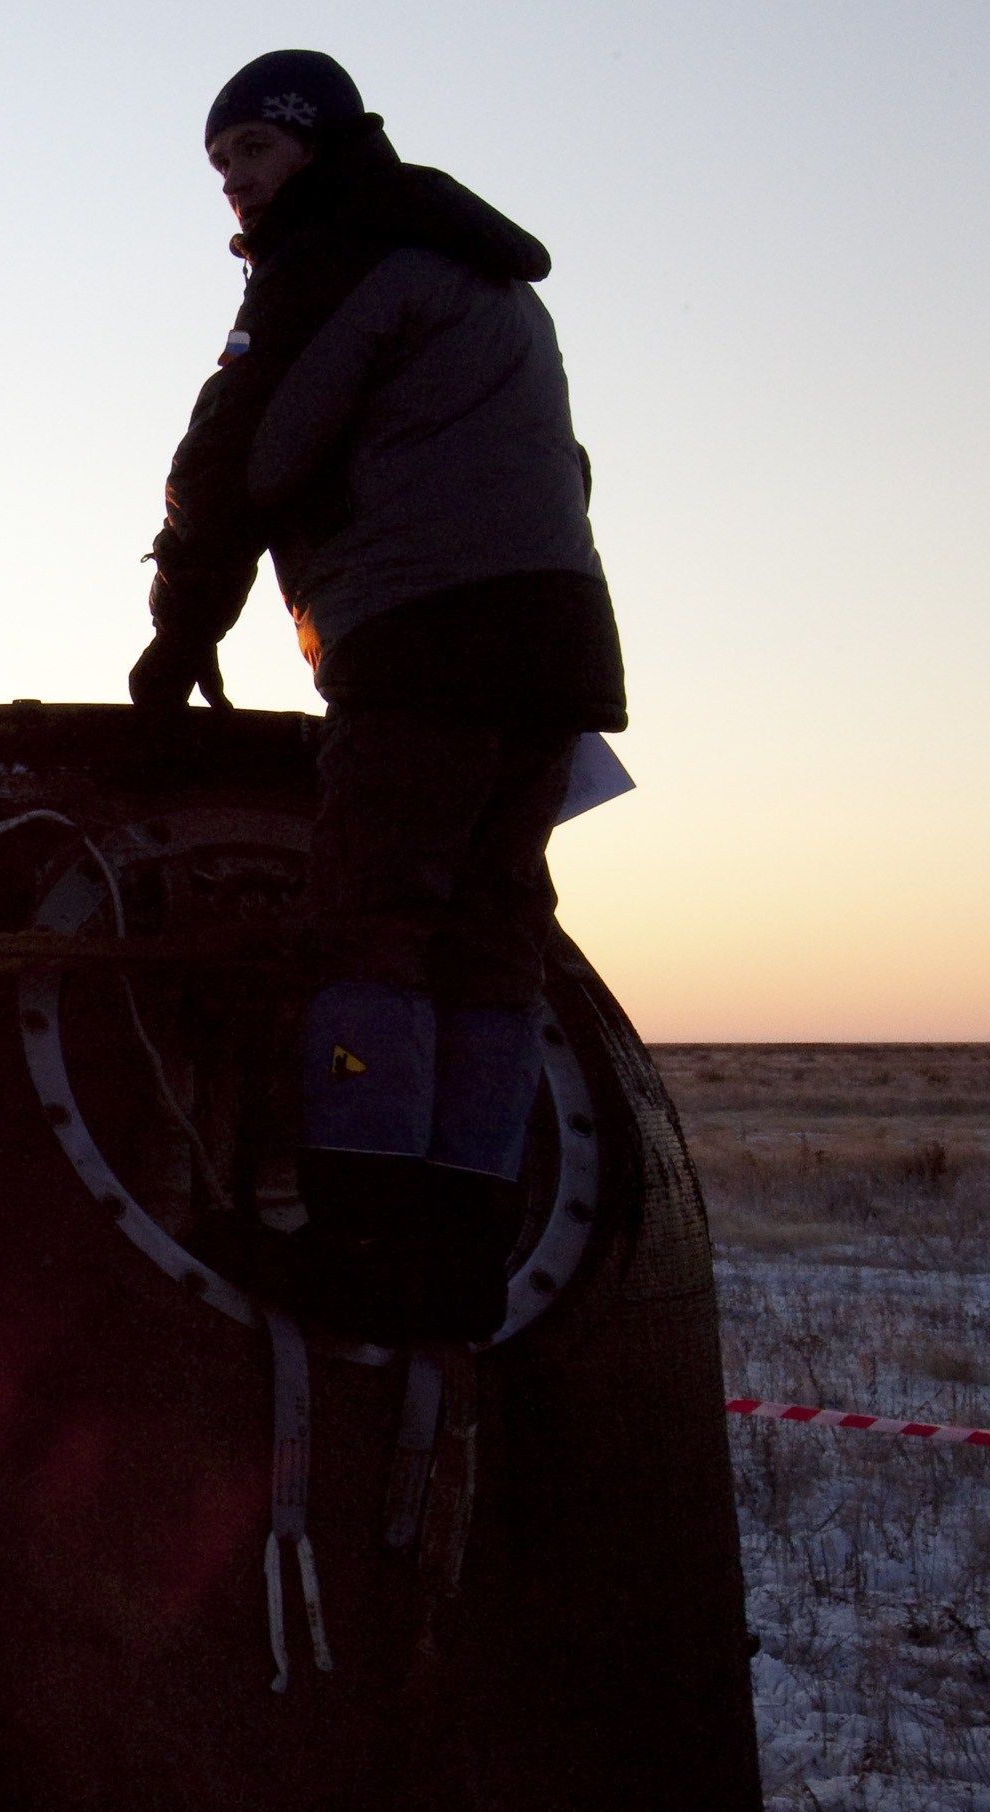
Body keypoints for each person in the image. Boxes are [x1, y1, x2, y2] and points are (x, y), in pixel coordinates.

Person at [129, 49, 624, 1345]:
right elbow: (558, 466)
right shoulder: (485, 275)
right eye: (220, 161)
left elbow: (247, 454)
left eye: (253, 151)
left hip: (422, 641)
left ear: (319, 145)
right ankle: (460, 1249)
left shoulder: (335, 260)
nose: (234, 184)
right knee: (491, 928)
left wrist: (182, 632)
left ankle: (358, 1237)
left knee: (374, 919)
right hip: (554, 644)